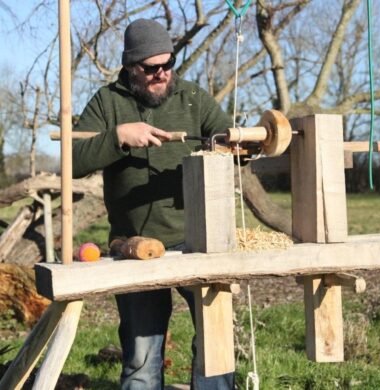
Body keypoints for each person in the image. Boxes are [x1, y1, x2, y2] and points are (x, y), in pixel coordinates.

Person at [72, 19, 234, 390]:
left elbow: (231, 142)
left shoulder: (193, 98)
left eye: (168, 64)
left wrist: (243, 145)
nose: (162, 74)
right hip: (134, 246)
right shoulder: (107, 102)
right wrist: (118, 137)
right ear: (130, 66)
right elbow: (74, 161)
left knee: (216, 353)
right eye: (150, 68)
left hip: (199, 241)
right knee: (142, 362)